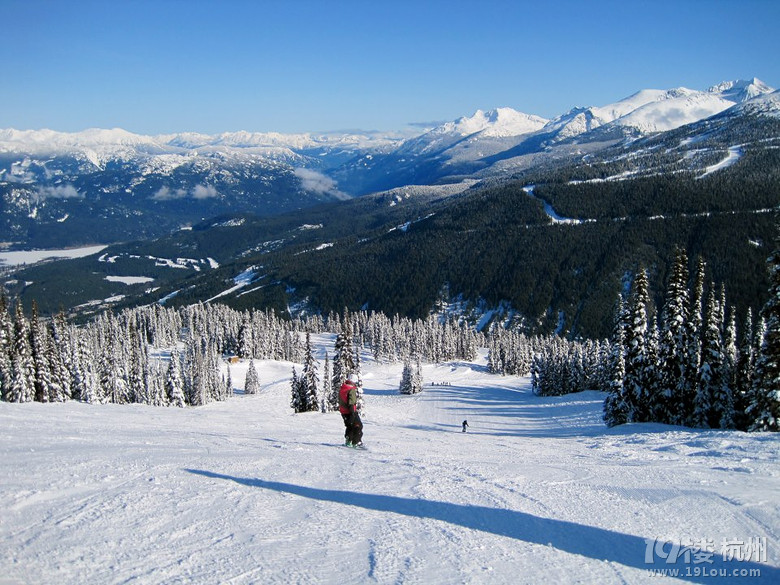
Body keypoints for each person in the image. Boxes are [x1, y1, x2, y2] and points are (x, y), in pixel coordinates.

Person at [339, 375, 363, 447]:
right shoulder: (351, 389)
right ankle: (356, 442)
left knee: (350, 426)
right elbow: (351, 402)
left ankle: (349, 439)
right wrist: (352, 413)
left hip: (344, 412)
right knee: (358, 426)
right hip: (350, 411)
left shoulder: (343, 388)